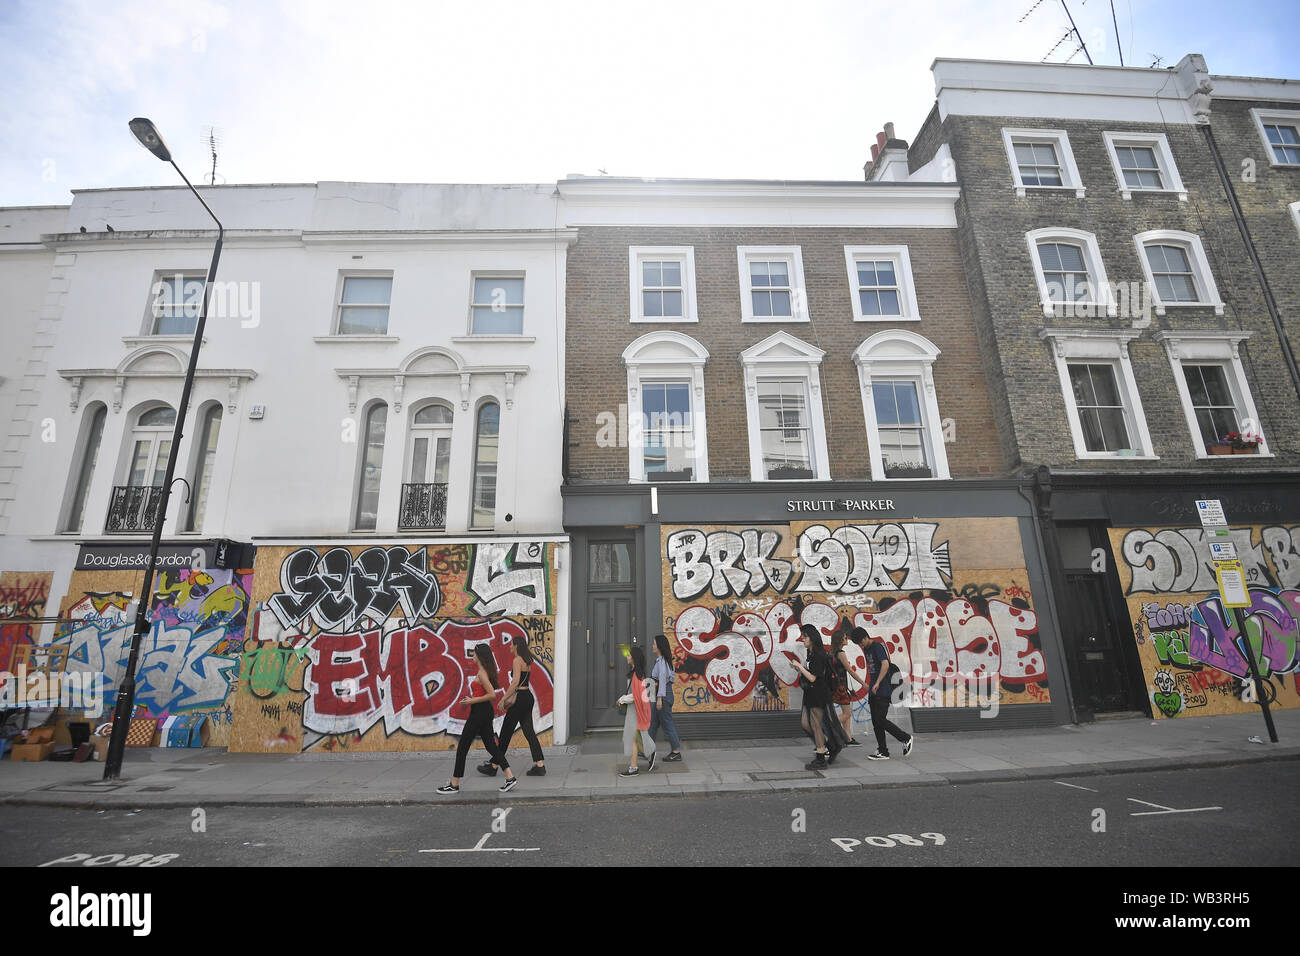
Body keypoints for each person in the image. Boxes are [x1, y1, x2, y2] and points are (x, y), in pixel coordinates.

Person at [437, 644, 518, 793]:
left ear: (480, 656)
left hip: (479, 713)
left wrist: (471, 701)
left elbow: (492, 694)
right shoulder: (484, 671)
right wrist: (472, 699)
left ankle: (454, 784)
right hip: (483, 711)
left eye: (474, 654)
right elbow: (484, 693)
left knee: (462, 748)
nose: (472, 656)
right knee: (491, 746)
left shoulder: (482, 673)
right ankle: (510, 777)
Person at [477, 635, 546, 778]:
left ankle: (494, 766)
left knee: (506, 733)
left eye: (511, 644)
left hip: (519, 699)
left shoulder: (517, 660)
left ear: (516, 646)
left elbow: (515, 683)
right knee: (529, 732)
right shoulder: (527, 660)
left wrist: (503, 699)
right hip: (528, 697)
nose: (509, 647)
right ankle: (540, 765)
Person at [851, 625, 913, 760]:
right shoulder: (867, 649)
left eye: (861, 642)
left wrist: (878, 682)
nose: (861, 645)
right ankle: (883, 751)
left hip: (883, 690)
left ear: (866, 637)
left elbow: (885, 664)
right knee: (876, 722)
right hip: (874, 691)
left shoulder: (877, 647)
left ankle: (905, 738)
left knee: (880, 720)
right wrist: (870, 685)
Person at [789, 623, 846, 770]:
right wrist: (799, 668)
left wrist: (800, 667)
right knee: (805, 724)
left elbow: (814, 678)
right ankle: (831, 745)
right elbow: (812, 674)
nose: (803, 639)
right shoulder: (812, 653)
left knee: (815, 725)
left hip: (818, 694)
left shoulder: (819, 654)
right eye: (802, 636)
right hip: (811, 693)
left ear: (812, 638)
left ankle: (821, 758)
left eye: (805, 636)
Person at [618, 645, 656, 776]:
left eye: (629, 655)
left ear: (634, 658)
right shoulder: (636, 673)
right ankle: (650, 751)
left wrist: (622, 699)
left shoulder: (637, 675)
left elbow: (636, 695)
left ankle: (634, 767)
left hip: (635, 709)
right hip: (634, 709)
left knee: (633, 738)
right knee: (638, 736)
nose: (627, 657)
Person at [831, 629, 871, 745]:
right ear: (840, 640)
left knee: (846, 712)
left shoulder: (832, 653)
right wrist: (863, 684)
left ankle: (847, 738)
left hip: (839, 687)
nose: (847, 638)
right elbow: (850, 671)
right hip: (841, 688)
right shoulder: (841, 653)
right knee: (847, 714)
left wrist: (849, 689)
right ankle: (828, 729)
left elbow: (839, 672)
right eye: (845, 637)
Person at [648, 633, 683, 762]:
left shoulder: (662, 662)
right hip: (662, 693)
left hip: (663, 694)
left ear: (659, 647)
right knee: (653, 724)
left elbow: (662, 681)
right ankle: (647, 749)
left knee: (667, 724)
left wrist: (659, 699)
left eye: (654, 644)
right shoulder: (662, 661)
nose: (652, 646)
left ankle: (676, 752)